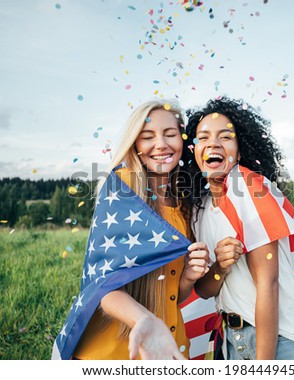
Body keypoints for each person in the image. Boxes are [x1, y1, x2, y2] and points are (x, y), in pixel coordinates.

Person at [180, 96, 294, 360]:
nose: (213, 143)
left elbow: (268, 284)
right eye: (202, 137)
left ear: (239, 151)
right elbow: (205, 290)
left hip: (281, 342)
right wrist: (221, 267)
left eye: (225, 137)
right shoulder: (200, 210)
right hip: (232, 341)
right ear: (193, 150)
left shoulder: (251, 190)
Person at [52, 99, 211, 360]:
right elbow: (104, 285)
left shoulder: (183, 204)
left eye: (170, 134)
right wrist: (146, 321)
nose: (161, 144)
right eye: (147, 136)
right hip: (115, 352)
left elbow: (174, 296)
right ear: (135, 145)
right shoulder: (123, 188)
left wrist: (188, 277)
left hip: (168, 347)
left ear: (183, 140)